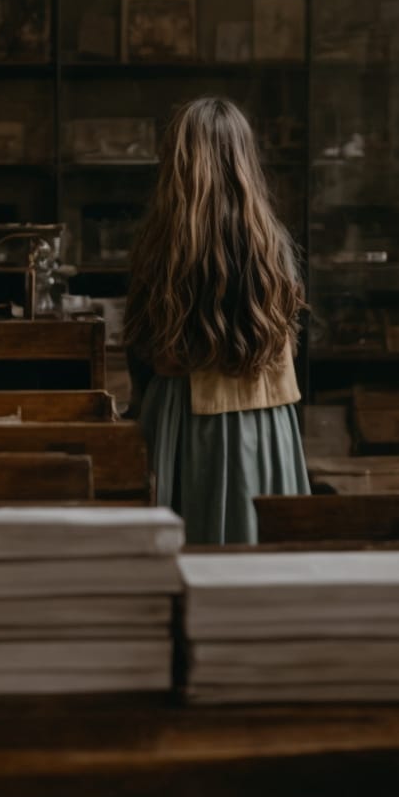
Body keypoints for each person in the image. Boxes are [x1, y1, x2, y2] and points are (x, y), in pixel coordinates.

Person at [123, 96, 310, 544]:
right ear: (244, 159)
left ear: (178, 163)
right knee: (262, 552)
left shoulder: (161, 246)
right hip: (265, 421)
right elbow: (286, 339)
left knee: (184, 553)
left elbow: (143, 347)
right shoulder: (272, 243)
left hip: (182, 417)